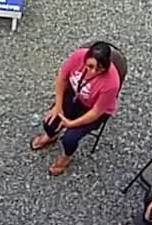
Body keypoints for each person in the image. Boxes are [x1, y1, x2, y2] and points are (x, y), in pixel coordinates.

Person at [30, 42, 122, 175]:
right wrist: (58, 106)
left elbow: (96, 112)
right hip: (75, 96)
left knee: (69, 139)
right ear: (85, 58)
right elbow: (62, 78)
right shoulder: (78, 56)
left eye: (99, 69)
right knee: (49, 122)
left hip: (93, 110)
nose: (93, 72)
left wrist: (71, 124)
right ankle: (51, 136)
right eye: (90, 66)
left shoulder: (112, 83)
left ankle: (67, 157)